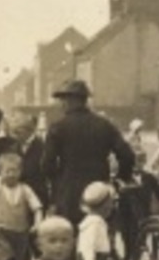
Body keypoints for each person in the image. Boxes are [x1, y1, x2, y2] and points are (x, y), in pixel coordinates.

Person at [41, 80, 136, 225]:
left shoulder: (58, 128)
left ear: (69, 101)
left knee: (70, 238)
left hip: (69, 196)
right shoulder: (104, 125)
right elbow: (127, 155)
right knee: (99, 235)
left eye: (62, 100)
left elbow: (47, 165)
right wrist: (120, 178)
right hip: (99, 194)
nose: (61, 104)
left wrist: (58, 183)